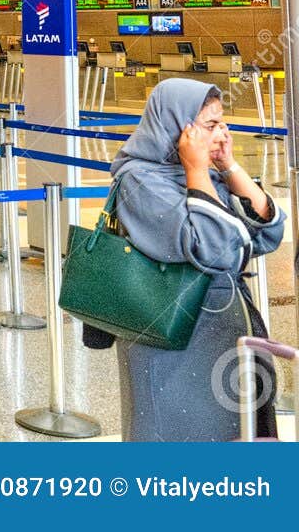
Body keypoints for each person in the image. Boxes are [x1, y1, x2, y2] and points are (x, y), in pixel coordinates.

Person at [106, 79, 286, 440]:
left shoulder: (204, 174)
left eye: (223, 123)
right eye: (209, 125)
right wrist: (197, 172)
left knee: (234, 431)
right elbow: (214, 249)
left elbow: (265, 236)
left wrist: (230, 167)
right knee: (179, 432)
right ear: (176, 126)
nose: (221, 133)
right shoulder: (139, 181)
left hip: (223, 334)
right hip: (174, 342)